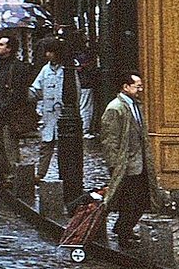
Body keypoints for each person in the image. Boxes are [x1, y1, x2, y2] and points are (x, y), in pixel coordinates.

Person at [100, 72, 171, 247]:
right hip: (127, 165)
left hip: (140, 163)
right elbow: (110, 140)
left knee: (142, 200)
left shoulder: (135, 105)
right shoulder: (115, 108)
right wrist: (114, 166)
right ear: (126, 87)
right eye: (137, 86)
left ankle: (124, 228)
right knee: (129, 201)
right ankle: (124, 236)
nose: (141, 90)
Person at [32, 32, 84, 197]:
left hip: (64, 115)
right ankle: (40, 174)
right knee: (46, 145)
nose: (47, 55)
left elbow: (76, 90)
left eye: (50, 52)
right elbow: (37, 89)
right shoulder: (45, 70)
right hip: (49, 114)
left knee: (65, 147)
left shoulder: (67, 70)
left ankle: (66, 176)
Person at [0, 35, 33, 182]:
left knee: (9, 146)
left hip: (9, 114)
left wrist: (5, 107)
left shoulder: (18, 67)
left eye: (1, 44)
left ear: (9, 49)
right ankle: (3, 173)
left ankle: (12, 176)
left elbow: (19, 93)